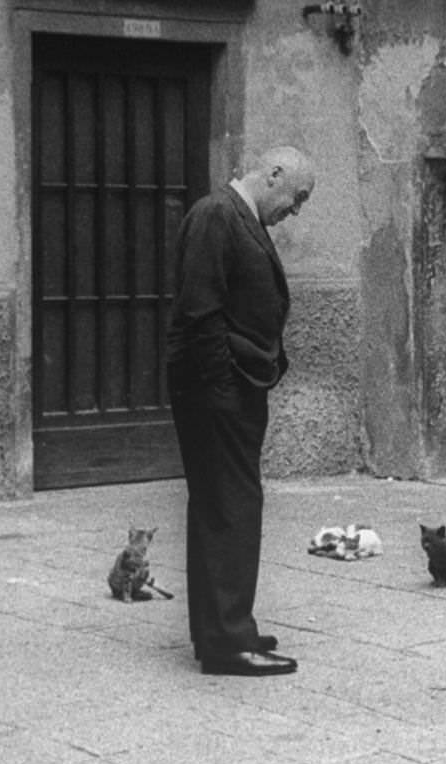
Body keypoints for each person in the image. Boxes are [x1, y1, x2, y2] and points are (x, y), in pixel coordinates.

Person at [165, 146, 315, 676]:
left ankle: (221, 631)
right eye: (296, 197)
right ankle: (229, 641)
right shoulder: (216, 215)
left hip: (228, 389)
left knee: (221, 506)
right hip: (217, 394)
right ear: (272, 174)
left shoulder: (236, 219)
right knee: (232, 507)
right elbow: (199, 312)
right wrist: (225, 391)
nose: (293, 211)